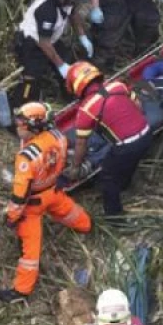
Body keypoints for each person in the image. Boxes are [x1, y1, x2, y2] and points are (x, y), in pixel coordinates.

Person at [0, 102, 92, 303]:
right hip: (54, 190)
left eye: (21, 123)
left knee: (30, 250)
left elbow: (19, 195)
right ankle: (87, 226)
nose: (17, 127)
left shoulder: (27, 157)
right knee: (72, 213)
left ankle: (21, 291)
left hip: (33, 204)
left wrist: (12, 217)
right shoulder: (58, 136)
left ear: (33, 126)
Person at [65, 62, 152, 217]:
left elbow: (81, 143)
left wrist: (76, 167)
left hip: (127, 145)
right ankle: (124, 185)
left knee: (108, 176)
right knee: (129, 161)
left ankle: (114, 216)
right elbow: (138, 105)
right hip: (146, 132)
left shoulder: (86, 110)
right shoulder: (117, 86)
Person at [11, 0, 92, 105]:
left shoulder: (67, 1)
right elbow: (44, 43)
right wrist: (60, 65)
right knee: (32, 78)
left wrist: (82, 36)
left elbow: (73, 13)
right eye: (72, 1)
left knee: (71, 67)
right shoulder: (47, 10)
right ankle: (22, 109)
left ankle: (71, 98)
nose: (73, 4)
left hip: (50, 39)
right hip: (32, 41)